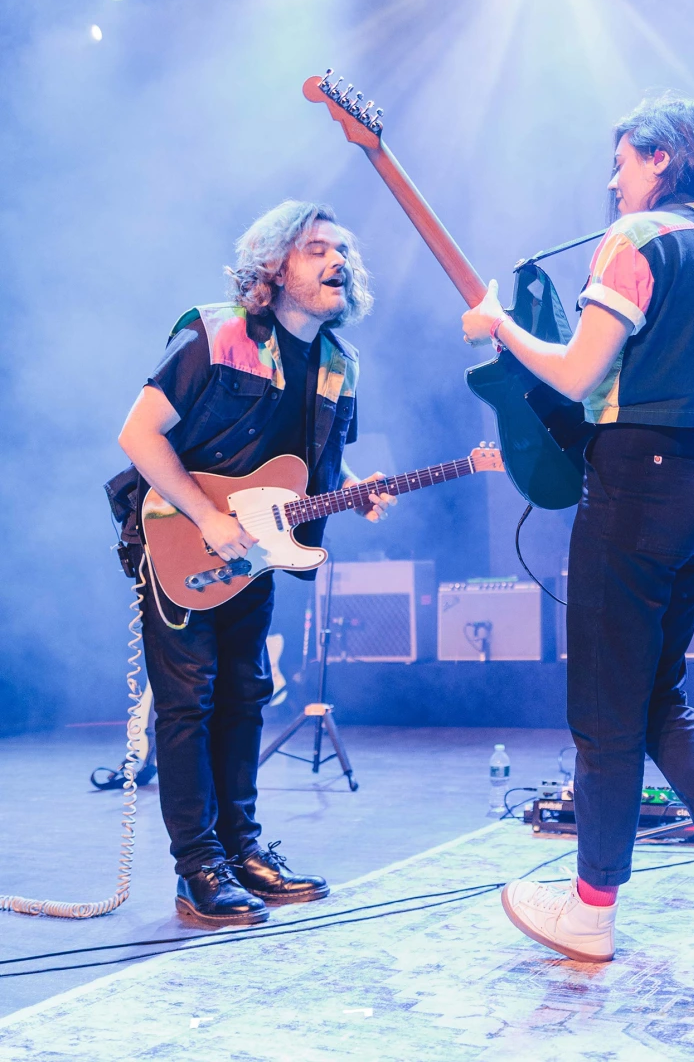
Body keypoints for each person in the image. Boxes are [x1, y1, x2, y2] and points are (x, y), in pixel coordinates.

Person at [461, 95, 694, 978]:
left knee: (603, 712)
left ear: (660, 158)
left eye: (621, 161)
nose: (612, 181)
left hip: (636, 485)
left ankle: (591, 911)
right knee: (654, 694)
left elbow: (580, 375)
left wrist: (501, 328)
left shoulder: (640, 237)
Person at [111, 201, 394, 927]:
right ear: (274, 264)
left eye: (342, 250)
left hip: (256, 551)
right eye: (316, 249)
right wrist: (206, 516)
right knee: (189, 701)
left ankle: (242, 852)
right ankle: (197, 868)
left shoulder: (338, 363)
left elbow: (310, 459)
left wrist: (351, 487)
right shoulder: (216, 332)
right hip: (179, 537)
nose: (337, 261)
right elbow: (139, 435)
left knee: (245, 695)